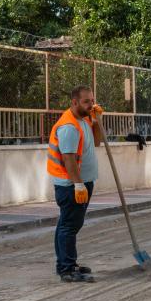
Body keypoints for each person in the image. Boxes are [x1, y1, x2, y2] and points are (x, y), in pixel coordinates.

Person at [47, 86, 103, 282]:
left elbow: (97, 142)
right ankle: (67, 269)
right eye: (86, 102)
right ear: (74, 102)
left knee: (66, 224)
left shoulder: (85, 119)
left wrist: (97, 121)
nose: (91, 105)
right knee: (70, 226)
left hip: (83, 181)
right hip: (71, 185)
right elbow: (68, 159)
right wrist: (78, 184)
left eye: (92, 100)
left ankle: (65, 263)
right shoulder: (69, 126)